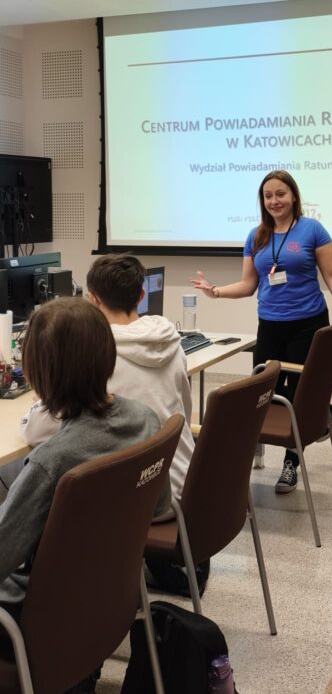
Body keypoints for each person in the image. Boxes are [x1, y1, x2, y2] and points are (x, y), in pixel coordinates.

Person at [0, 298, 169, 694]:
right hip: (105, 594)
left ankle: (60, 676)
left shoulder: (53, 462)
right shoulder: (146, 420)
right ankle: (75, 674)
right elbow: (160, 507)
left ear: (40, 374)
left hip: (32, 613)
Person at [20, 254, 206, 598]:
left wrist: (41, 396)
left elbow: (39, 431)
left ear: (93, 300)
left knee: (40, 477)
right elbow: (184, 411)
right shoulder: (172, 343)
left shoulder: (94, 357)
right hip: (181, 481)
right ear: (141, 295)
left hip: (142, 495)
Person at [192, 170, 332, 494]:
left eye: (280, 194)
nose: (274, 201)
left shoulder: (312, 229)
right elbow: (248, 284)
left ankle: (291, 463)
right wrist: (216, 292)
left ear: (293, 196)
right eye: (268, 196)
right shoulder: (256, 237)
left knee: (297, 394)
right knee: (263, 391)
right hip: (269, 324)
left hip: (307, 323)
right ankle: (323, 412)